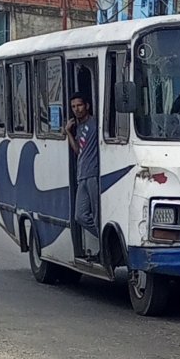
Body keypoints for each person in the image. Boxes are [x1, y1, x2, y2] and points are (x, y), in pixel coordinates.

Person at [65, 92, 99, 256]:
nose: (76, 109)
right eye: (73, 107)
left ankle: (104, 248)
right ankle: (103, 239)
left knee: (98, 214)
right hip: (82, 175)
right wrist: (69, 132)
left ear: (87, 106)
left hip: (94, 175)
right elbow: (78, 150)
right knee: (80, 215)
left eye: (79, 105)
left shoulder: (95, 124)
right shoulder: (79, 128)